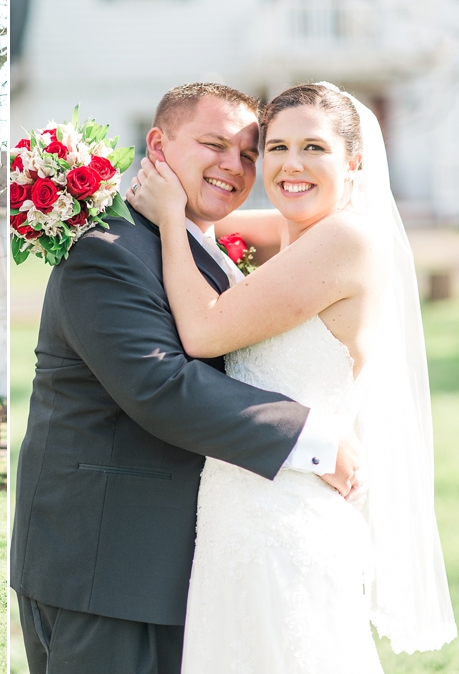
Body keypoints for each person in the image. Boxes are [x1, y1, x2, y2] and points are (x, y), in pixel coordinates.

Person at [10, 83, 362, 674]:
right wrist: (315, 441)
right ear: (158, 145)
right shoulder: (109, 253)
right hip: (106, 570)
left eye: (251, 154)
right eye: (213, 144)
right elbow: (161, 386)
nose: (234, 165)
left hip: (184, 567)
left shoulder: (210, 248)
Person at [127, 82, 456, 671]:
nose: (291, 165)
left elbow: (202, 332)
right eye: (274, 148)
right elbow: (217, 216)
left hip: (286, 517)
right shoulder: (295, 230)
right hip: (239, 508)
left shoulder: (344, 240)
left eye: (314, 148)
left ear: (353, 160)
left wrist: (170, 217)